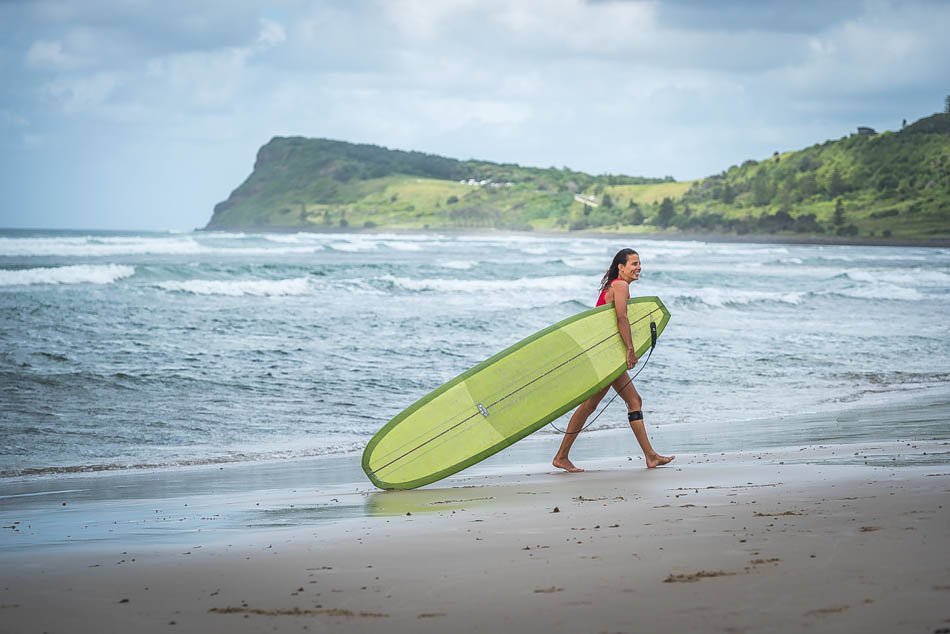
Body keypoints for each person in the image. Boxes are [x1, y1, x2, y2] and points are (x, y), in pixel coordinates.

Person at [552, 248, 674, 472]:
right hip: (606, 355)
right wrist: (630, 349)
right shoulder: (620, 286)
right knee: (599, 404)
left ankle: (650, 456)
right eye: (634, 264)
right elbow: (621, 318)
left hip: (605, 354)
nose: (638, 267)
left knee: (625, 401)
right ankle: (561, 456)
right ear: (621, 267)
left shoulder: (614, 286)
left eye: (639, 263)